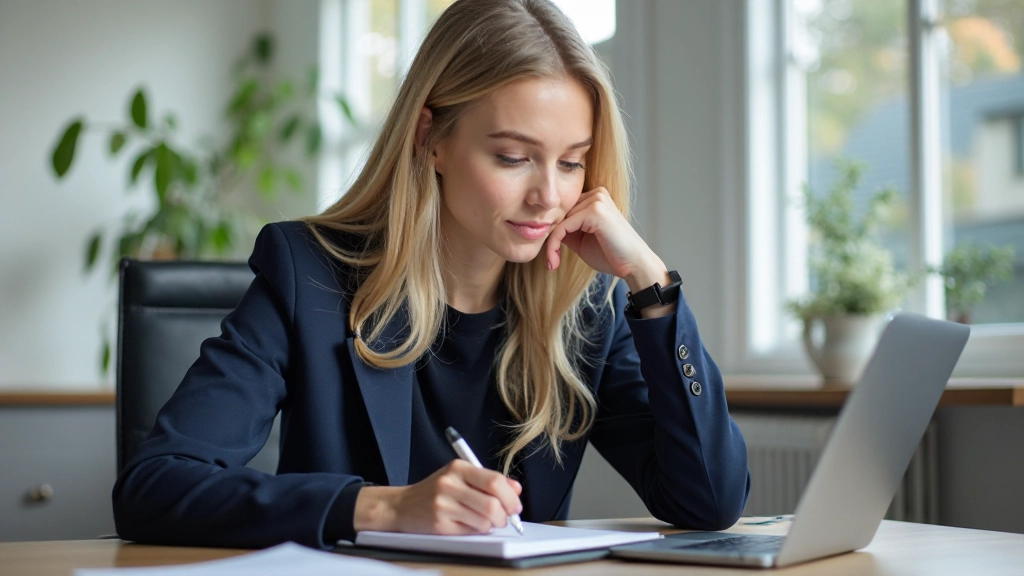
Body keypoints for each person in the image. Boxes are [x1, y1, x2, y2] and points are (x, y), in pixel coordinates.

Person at [112, 0, 750, 550]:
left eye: (572, 163)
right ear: (431, 138)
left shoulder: (589, 307)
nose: (548, 196)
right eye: (513, 157)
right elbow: (156, 484)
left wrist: (648, 282)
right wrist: (383, 509)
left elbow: (710, 502)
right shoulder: (308, 274)